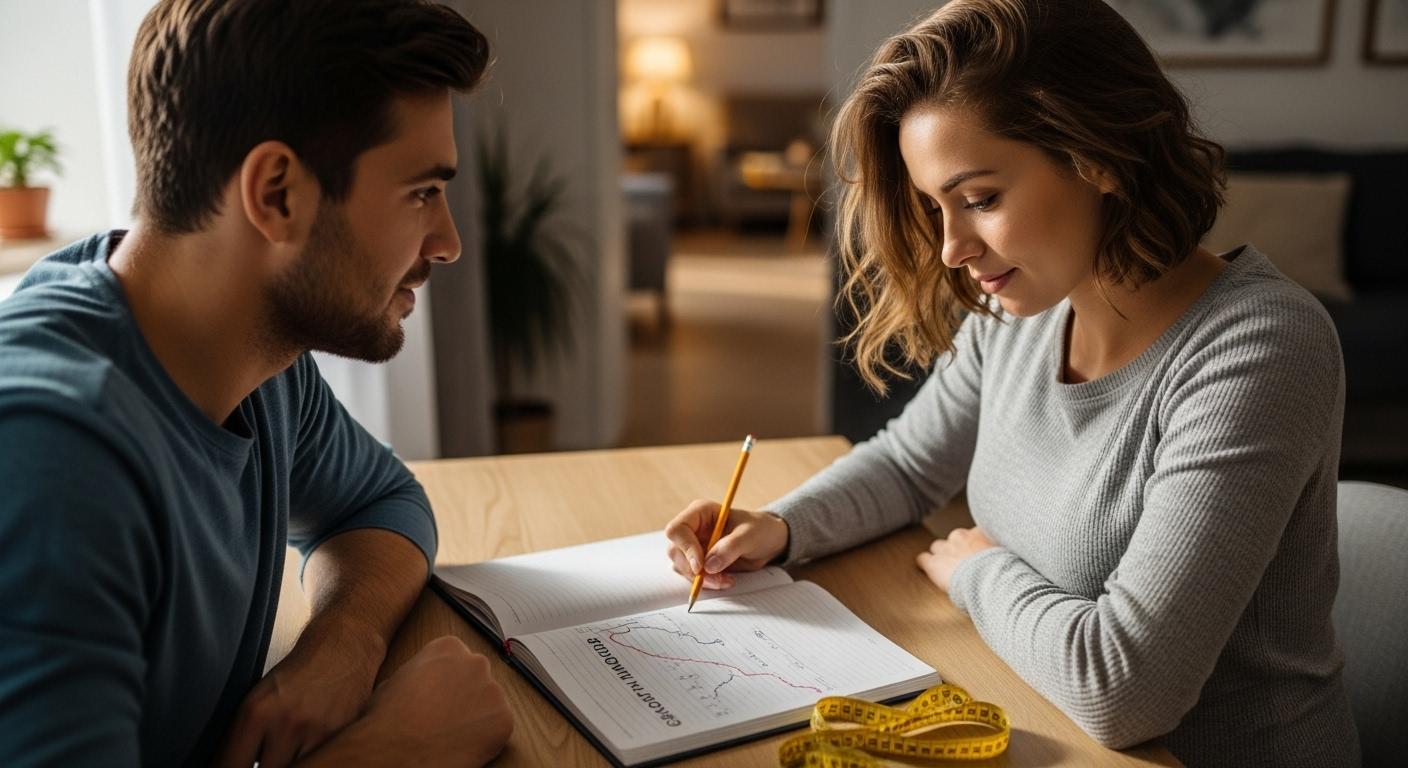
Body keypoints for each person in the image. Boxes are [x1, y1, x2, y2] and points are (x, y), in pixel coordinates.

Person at [663, 1, 1359, 765]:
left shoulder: (1259, 348)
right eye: (937, 207)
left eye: (982, 199)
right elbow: (906, 464)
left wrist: (980, 573)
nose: (954, 248)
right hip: (1040, 717)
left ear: (1098, 155)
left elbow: (1126, 690)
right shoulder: (1021, 307)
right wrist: (779, 527)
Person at [0, 1, 513, 765]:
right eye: (419, 193)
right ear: (276, 193)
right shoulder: (50, 457)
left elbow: (381, 502)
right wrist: (399, 747)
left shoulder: (252, 356)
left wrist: (344, 642)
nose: (447, 243)